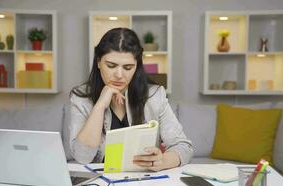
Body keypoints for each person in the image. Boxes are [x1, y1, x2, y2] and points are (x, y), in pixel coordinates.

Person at [69, 27, 193, 171]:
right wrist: (100, 106)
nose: (119, 75)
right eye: (111, 66)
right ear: (98, 62)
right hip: (100, 182)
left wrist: (163, 161)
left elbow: (184, 146)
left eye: (128, 67)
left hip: (143, 181)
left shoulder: (154, 95)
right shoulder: (80, 97)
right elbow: (82, 157)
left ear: (136, 67)